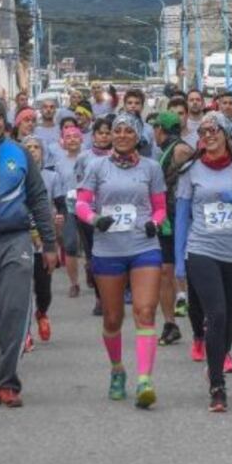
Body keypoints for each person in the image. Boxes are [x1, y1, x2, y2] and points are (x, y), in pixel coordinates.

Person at [0, 96, 58, 407]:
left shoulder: (18, 153)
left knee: (14, 312)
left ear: (5, 121)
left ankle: (7, 382)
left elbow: (39, 198)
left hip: (15, 241)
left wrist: (49, 243)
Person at [76, 113, 167, 408]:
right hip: (108, 248)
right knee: (113, 318)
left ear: (138, 136)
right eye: (119, 131)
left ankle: (145, 380)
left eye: (129, 131)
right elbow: (80, 202)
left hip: (144, 245)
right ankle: (117, 369)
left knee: (144, 310)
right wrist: (95, 219)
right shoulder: (96, 166)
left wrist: (155, 222)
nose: (123, 135)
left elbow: (160, 207)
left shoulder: (151, 168)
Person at [175, 112, 232, 413]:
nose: (208, 136)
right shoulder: (191, 170)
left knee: (230, 318)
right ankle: (217, 384)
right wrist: (179, 262)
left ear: (226, 135)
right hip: (202, 249)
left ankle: (217, 359)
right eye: (204, 132)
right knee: (217, 314)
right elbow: (182, 217)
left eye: (214, 131)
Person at [151, 111, 195, 346]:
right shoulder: (167, 150)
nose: (153, 132)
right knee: (164, 271)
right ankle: (170, 324)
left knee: (185, 270)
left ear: (161, 129)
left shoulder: (180, 149)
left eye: (155, 128)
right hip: (166, 219)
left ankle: (201, 319)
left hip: (181, 218)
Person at [22, 135, 65, 345]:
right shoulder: (14, 175)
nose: (32, 150)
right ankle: (25, 332)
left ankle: (42, 312)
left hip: (44, 240)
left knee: (43, 289)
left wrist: (59, 219)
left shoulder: (51, 177)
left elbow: (60, 204)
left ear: (42, 152)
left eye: (36, 147)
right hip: (20, 238)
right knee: (21, 289)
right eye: (28, 147)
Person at [50, 124, 84, 298]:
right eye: (68, 137)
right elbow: (56, 188)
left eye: (75, 136)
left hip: (87, 204)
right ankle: (74, 283)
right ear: (63, 141)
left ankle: (94, 273)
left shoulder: (88, 158)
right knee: (70, 244)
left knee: (92, 244)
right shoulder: (58, 163)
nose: (72, 140)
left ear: (81, 139)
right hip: (67, 205)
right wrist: (57, 209)